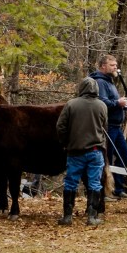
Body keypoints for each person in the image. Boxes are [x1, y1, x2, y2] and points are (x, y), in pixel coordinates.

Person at [55, 76, 108, 227]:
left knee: (71, 182)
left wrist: (66, 142)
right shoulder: (102, 105)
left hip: (75, 151)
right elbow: (104, 126)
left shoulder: (71, 105)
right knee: (94, 182)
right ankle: (92, 216)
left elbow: (60, 126)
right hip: (96, 151)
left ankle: (67, 216)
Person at [91, 54, 127, 198]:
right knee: (105, 159)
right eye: (112, 65)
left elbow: (112, 101)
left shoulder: (110, 81)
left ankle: (117, 189)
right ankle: (104, 192)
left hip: (116, 127)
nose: (116, 67)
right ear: (103, 66)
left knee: (124, 157)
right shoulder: (100, 82)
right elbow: (101, 102)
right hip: (107, 128)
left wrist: (123, 104)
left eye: (116, 65)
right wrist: (117, 103)